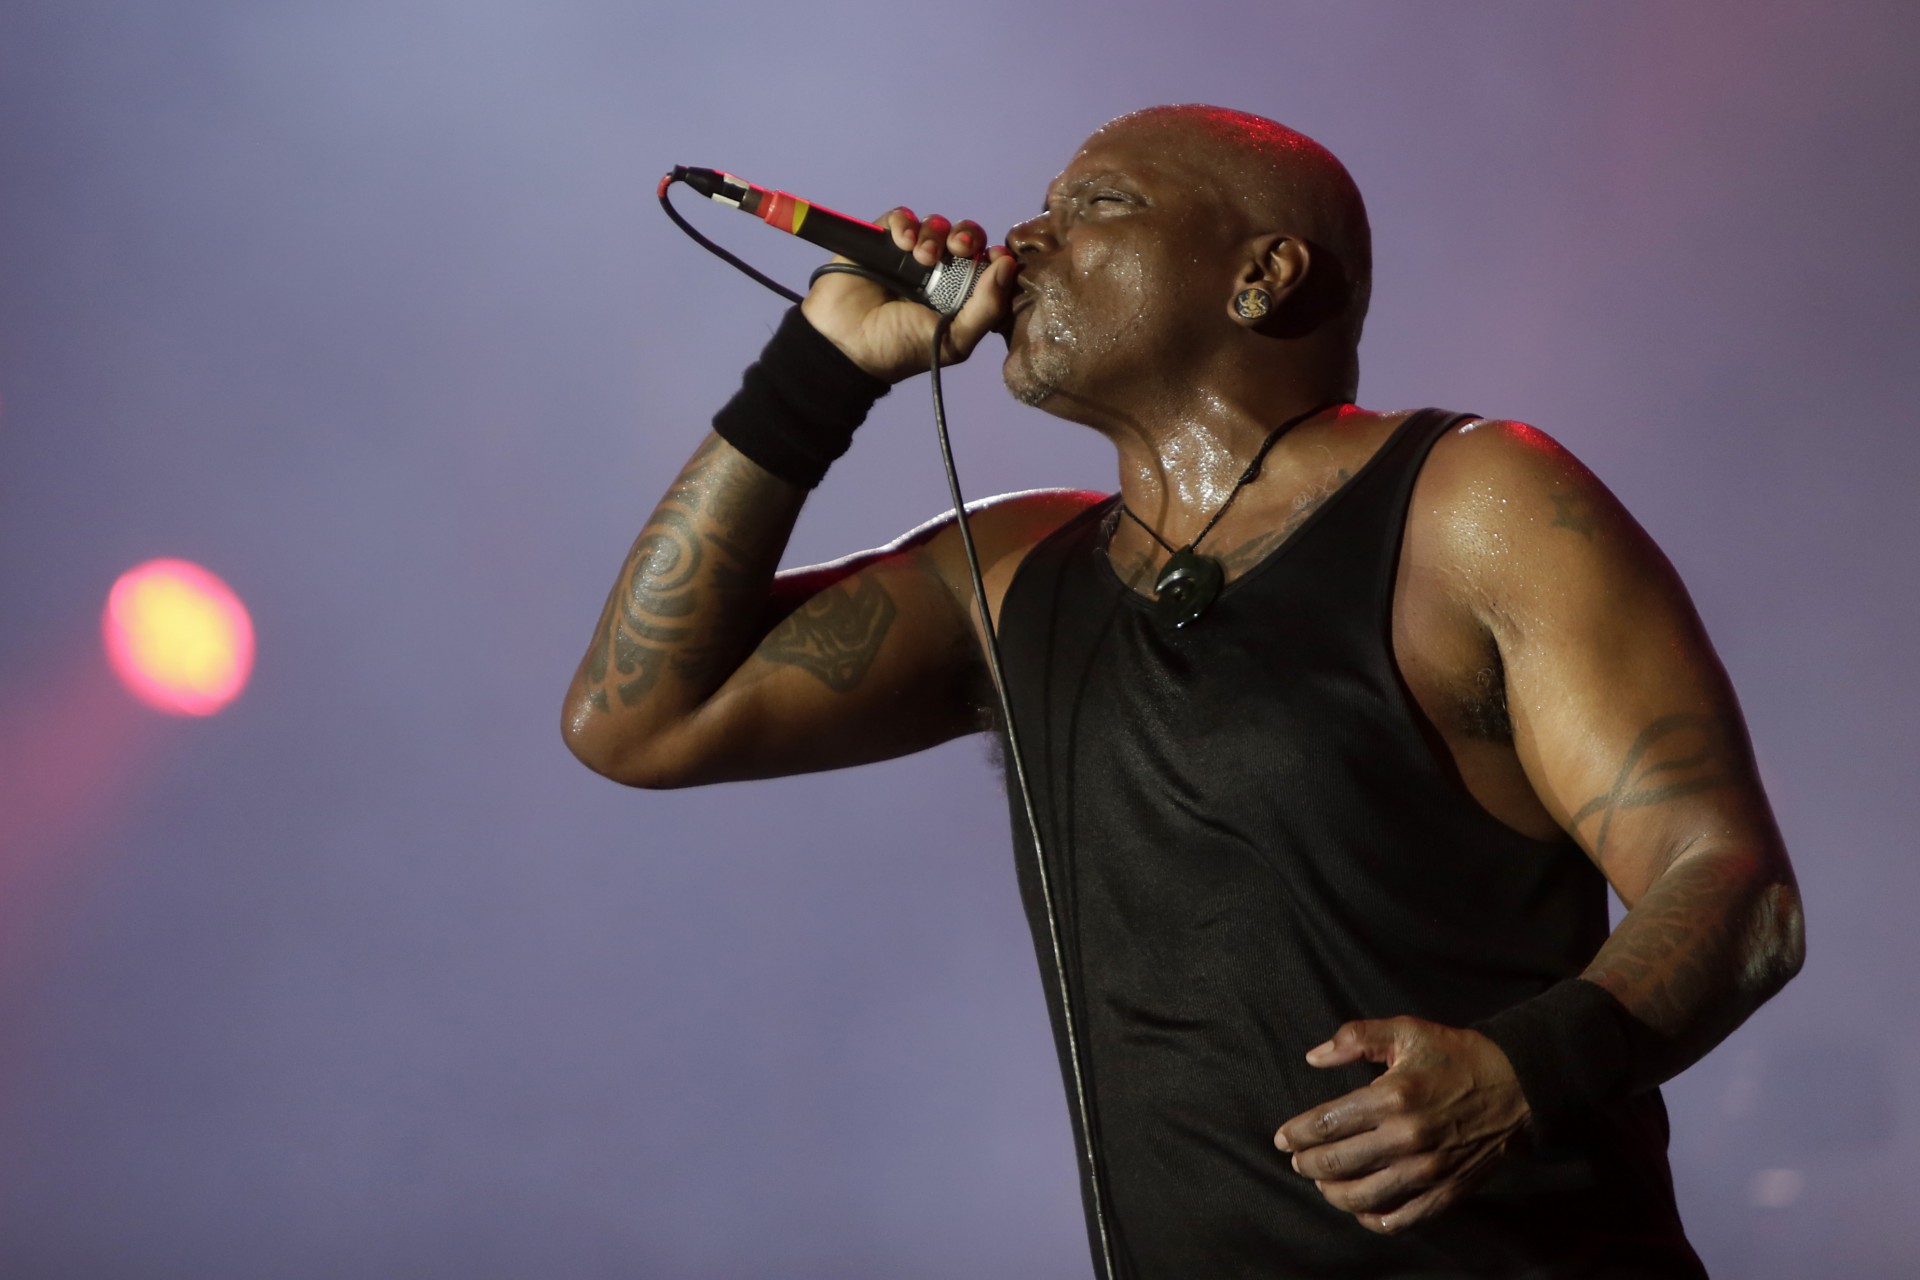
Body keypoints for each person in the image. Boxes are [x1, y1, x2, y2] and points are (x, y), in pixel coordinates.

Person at [561, 105, 1804, 1277]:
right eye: (1039, 203)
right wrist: (817, 370)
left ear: (1261, 275)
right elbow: (637, 717)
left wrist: (1524, 1070)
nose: (1027, 237)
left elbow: (1731, 883)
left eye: (1097, 203)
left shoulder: (1474, 502)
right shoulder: (1006, 572)